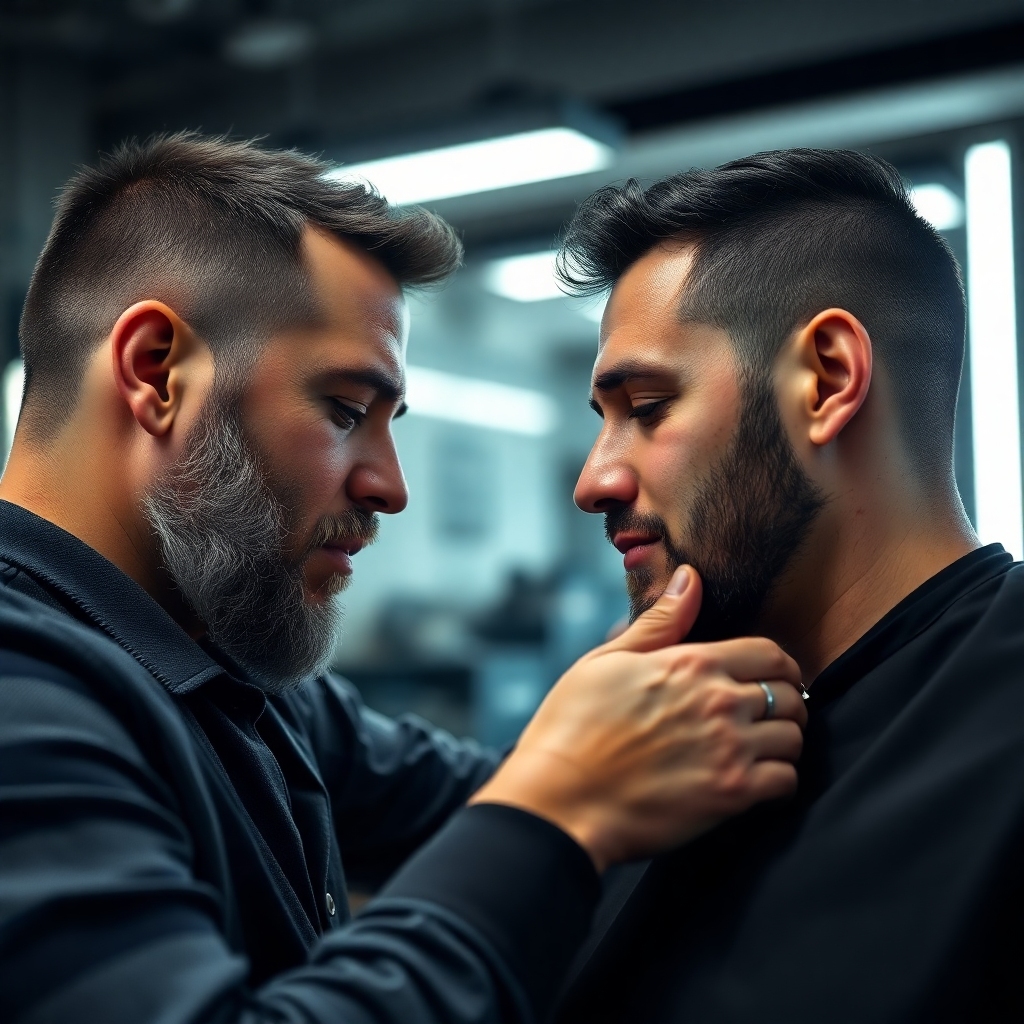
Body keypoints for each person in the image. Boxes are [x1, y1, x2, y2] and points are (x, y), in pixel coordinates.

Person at [0, 133, 808, 1024]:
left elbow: (475, 795)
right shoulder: (24, 695)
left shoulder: (222, 674)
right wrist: (554, 813)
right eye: (346, 410)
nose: (389, 485)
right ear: (156, 370)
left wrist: (616, 744)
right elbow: (531, 810)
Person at [552, 148, 1024, 1023]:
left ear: (828, 379)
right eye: (603, 422)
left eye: (647, 408)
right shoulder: (668, 732)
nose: (594, 480)